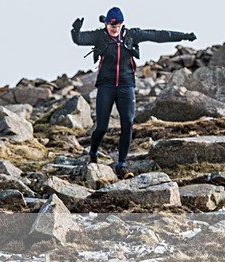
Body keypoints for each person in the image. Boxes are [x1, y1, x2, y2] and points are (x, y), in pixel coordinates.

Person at [72, 7, 196, 178]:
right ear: (106, 23)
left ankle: (121, 164)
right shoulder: (99, 36)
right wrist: (75, 30)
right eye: (111, 26)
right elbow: (79, 40)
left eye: (117, 26)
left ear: (122, 24)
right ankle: (93, 153)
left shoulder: (131, 35)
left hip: (126, 85)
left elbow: (157, 35)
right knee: (101, 127)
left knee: (128, 123)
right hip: (106, 86)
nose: (114, 29)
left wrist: (183, 35)